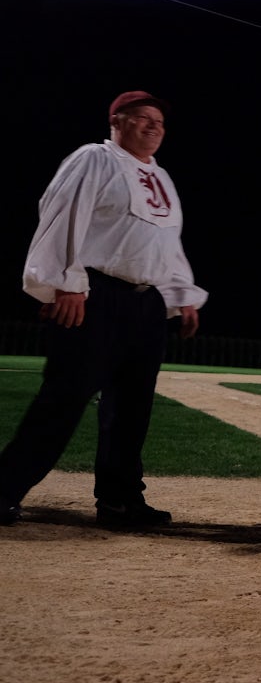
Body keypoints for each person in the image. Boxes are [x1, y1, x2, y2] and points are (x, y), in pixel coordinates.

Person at [0, 90, 206, 528]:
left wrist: (180, 294)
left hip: (145, 302)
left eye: (160, 122)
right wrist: (67, 282)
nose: (154, 126)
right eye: (142, 118)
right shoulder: (95, 158)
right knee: (64, 399)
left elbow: (165, 243)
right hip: (94, 294)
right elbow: (62, 214)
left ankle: (120, 501)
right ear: (116, 121)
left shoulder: (162, 177)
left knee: (132, 408)